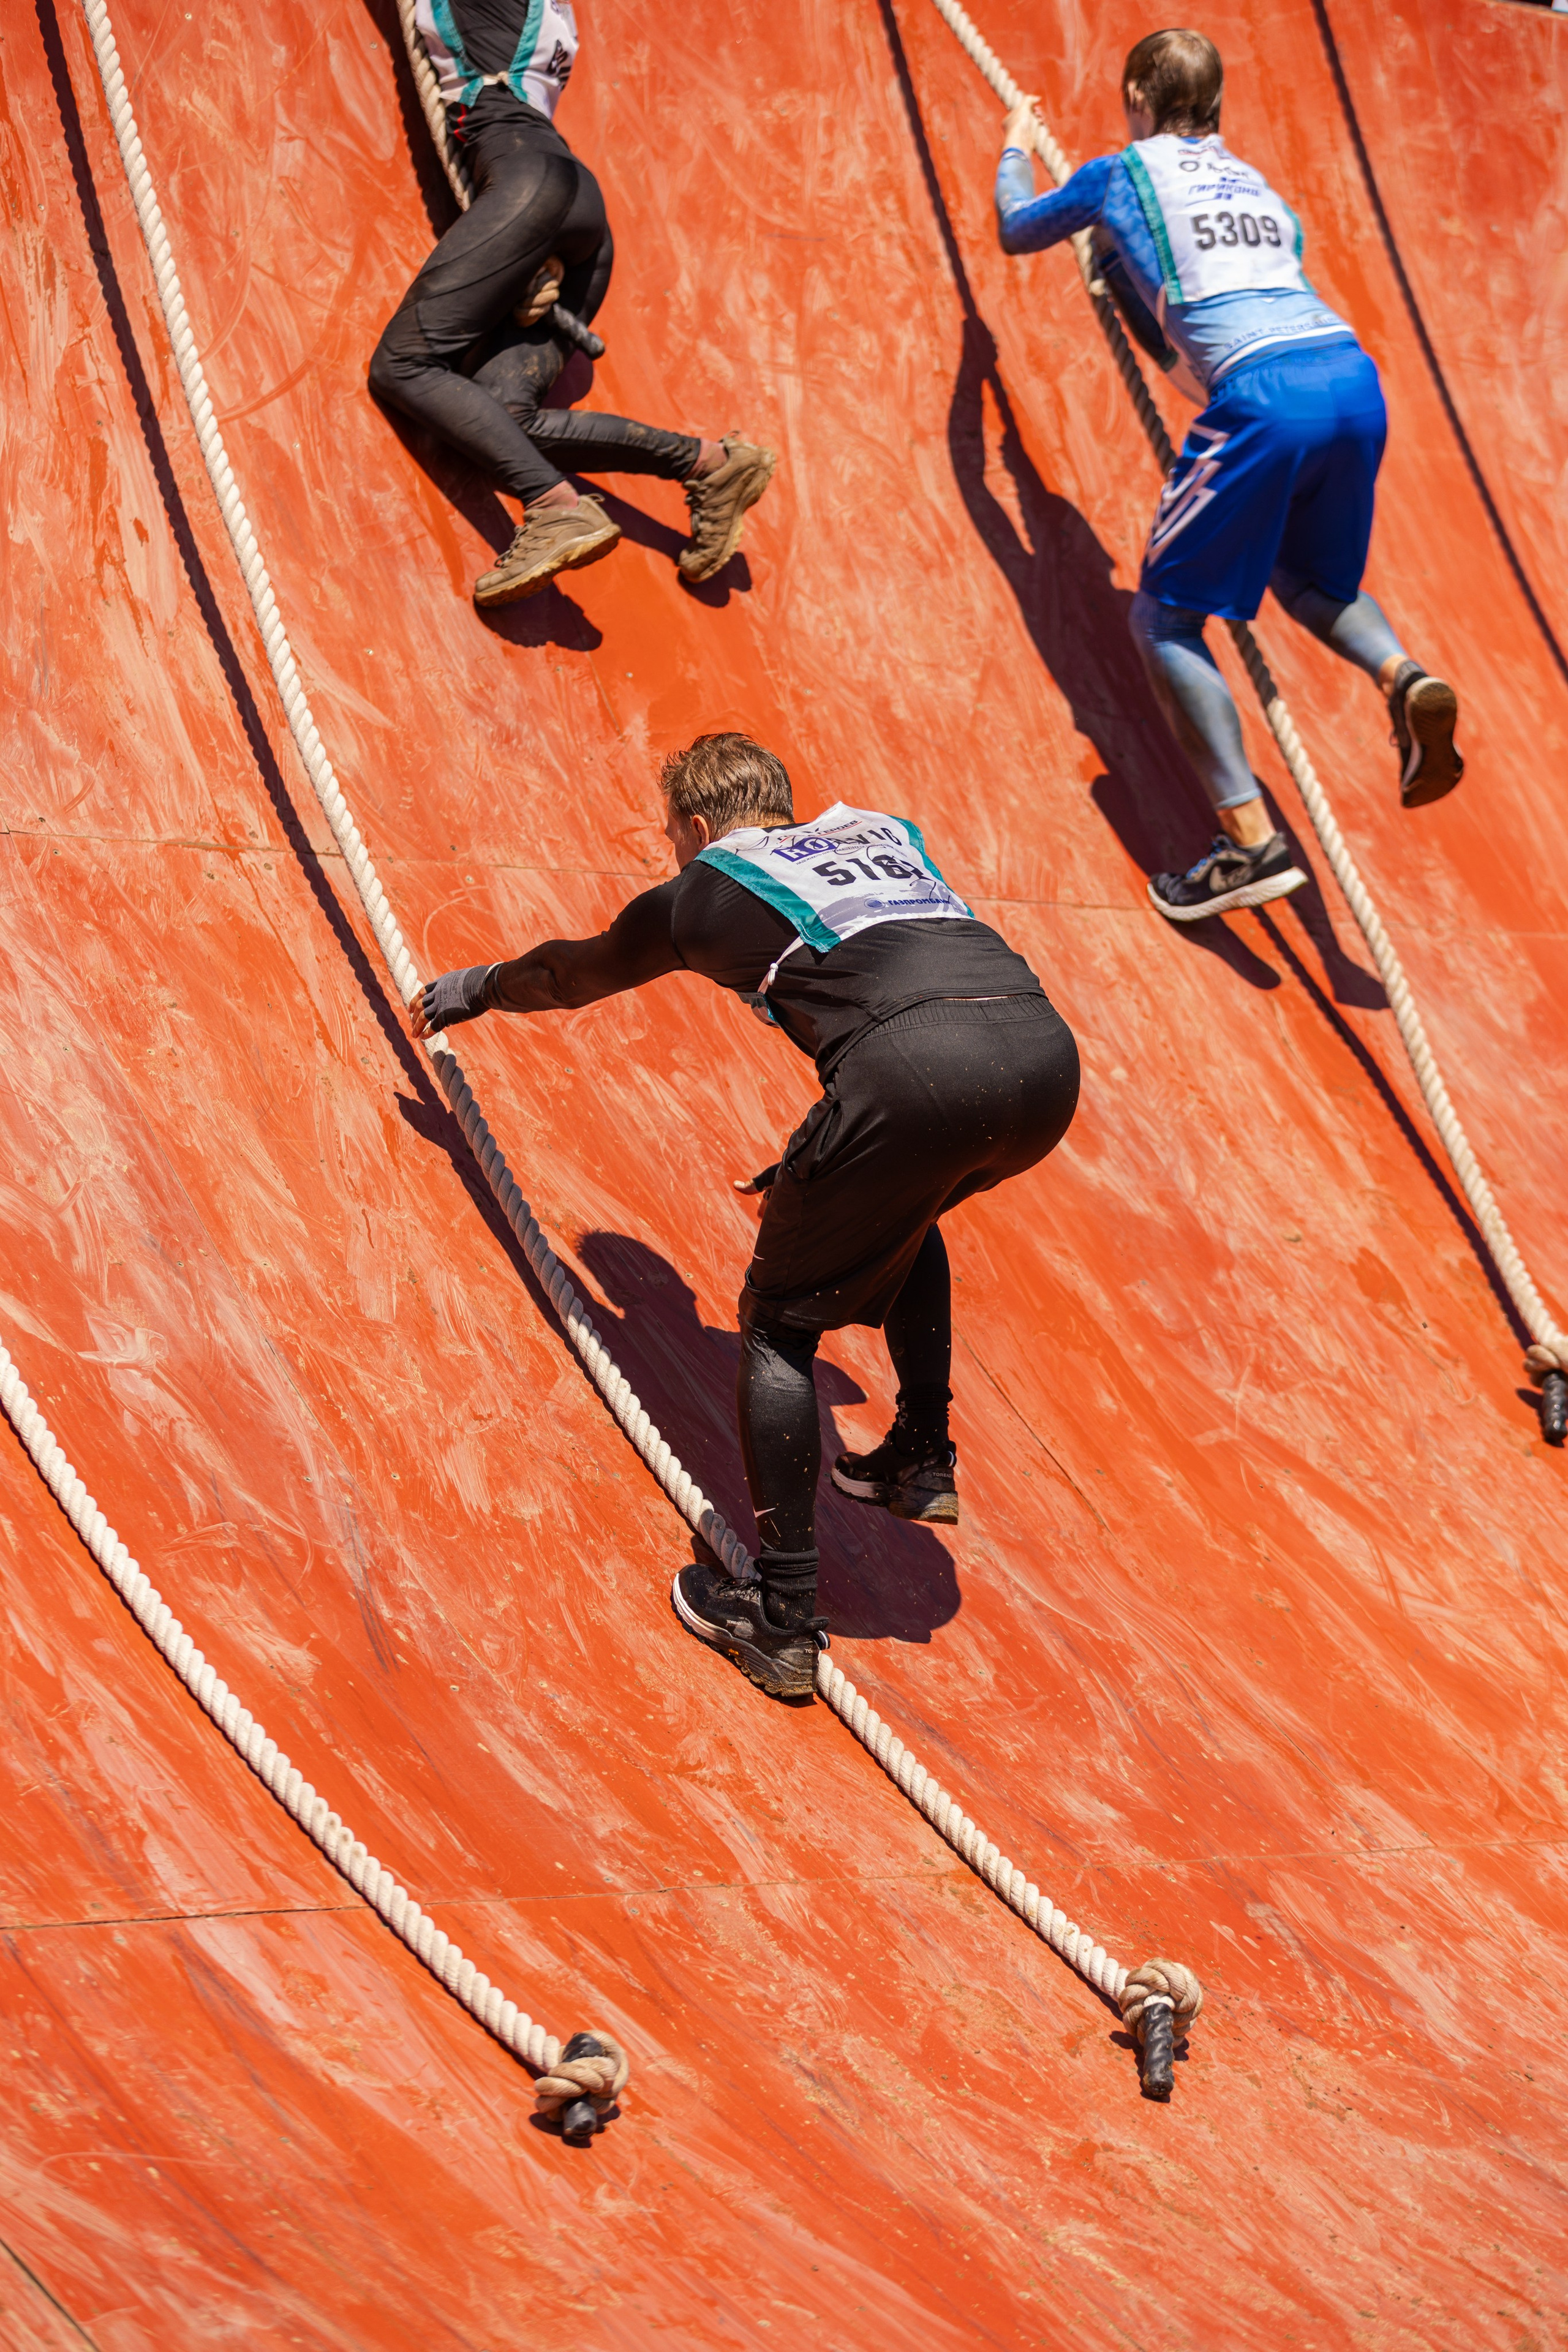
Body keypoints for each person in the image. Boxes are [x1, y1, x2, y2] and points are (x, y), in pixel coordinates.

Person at [410, 734, 1080, 1700]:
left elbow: (578, 973)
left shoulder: (705, 890)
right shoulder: (880, 837)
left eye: (672, 838)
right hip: (1042, 1064)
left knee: (776, 1328)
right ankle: (920, 1454)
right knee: (910, 1207)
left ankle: (779, 1616)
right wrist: (845, 1151)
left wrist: (477, 989)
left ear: (691, 826)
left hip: (911, 1077)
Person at [994, 29, 1464, 923]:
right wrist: (1128, 290)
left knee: (1166, 618)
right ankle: (1403, 676)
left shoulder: (1121, 171)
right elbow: (1196, 331)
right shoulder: (1260, 189)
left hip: (1263, 393)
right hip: (1348, 376)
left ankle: (1248, 846)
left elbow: (1019, 229)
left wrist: (1016, 142)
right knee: (1312, 580)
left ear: (1138, 91)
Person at [369, 1, 775, 606]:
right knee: (505, 417)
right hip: (570, 202)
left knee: (404, 364)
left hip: (528, 184)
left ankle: (553, 507)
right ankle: (709, 465)